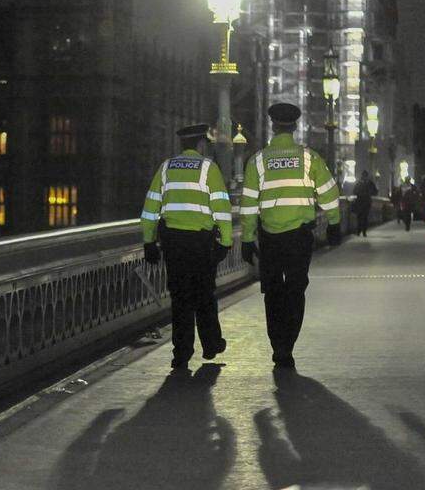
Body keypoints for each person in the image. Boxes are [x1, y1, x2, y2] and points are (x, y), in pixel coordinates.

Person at [239, 103, 341, 369]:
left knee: (273, 293)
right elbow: (329, 194)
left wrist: (248, 239)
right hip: (299, 237)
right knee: (296, 290)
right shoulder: (309, 158)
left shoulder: (258, 161)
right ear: (295, 127)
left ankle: (277, 345)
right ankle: (288, 345)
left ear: (273, 126)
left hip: (269, 238)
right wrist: (334, 224)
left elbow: (248, 205)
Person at [140, 123, 233, 371]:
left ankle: (181, 353)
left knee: (180, 298)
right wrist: (225, 241)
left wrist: (149, 241)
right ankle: (211, 344)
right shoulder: (208, 169)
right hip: (201, 244)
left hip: (174, 244)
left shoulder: (166, 168)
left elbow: (150, 209)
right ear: (202, 144)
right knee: (204, 294)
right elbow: (221, 208)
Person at [351, 172, 378, 236]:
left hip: (360, 202)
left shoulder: (358, 183)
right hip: (366, 202)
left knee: (360, 217)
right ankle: (363, 231)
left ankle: (359, 231)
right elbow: (375, 192)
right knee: (364, 217)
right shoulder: (370, 183)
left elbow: (354, 191)